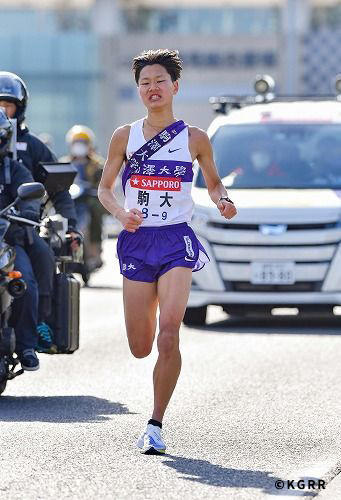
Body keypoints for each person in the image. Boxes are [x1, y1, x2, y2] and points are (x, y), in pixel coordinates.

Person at [98, 49, 237, 454]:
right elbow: (104, 189)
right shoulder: (124, 137)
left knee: (169, 335)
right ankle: (152, 306)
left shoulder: (195, 139)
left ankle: (155, 425)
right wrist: (122, 213)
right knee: (140, 346)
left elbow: (213, 183)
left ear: (175, 86)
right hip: (138, 241)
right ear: (138, 90)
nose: (152, 89)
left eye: (160, 81)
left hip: (176, 239)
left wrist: (224, 199)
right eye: (145, 83)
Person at [0, 71, 78, 350]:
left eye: (6, 105)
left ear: (18, 109)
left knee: (40, 263)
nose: (1, 111)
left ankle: (38, 326)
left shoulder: (31, 148)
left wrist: (70, 225)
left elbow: (57, 189)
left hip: (21, 227)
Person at [0, 108, 42, 370]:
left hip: (7, 242)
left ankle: (27, 345)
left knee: (24, 281)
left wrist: (27, 211)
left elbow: (32, 194)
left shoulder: (15, 170)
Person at [61, 125, 105, 269]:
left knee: (95, 212)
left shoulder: (97, 164)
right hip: (70, 200)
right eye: (76, 142)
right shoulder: (64, 163)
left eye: (83, 142)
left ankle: (95, 249)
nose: (79, 146)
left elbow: (104, 183)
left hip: (89, 199)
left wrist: (95, 190)